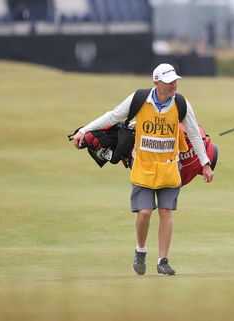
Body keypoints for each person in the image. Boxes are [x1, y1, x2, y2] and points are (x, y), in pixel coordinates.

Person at [71, 63, 214, 276]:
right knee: (145, 212)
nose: (174, 85)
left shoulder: (182, 104)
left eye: (175, 81)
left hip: (169, 167)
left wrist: (205, 164)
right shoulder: (139, 99)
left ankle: (163, 261)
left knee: (166, 212)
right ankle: (141, 250)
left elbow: (194, 134)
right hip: (143, 166)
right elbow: (113, 117)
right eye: (169, 82)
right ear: (156, 82)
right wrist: (84, 130)